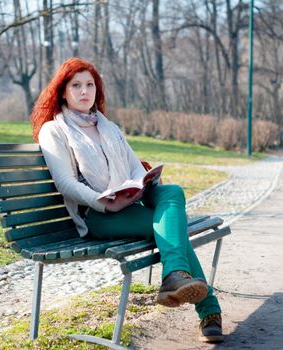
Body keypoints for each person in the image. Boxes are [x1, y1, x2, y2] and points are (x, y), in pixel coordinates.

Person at [30, 57, 224, 343]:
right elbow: (65, 183)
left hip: (130, 200)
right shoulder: (55, 130)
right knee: (172, 227)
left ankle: (174, 273)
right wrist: (102, 201)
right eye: (76, 86)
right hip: (98, 214)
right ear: (63, 91)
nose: (84, 92)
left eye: (90, 85)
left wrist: (140, 182)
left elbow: (134, 166)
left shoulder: (107, 126)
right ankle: (207, 309)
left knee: (172, 192)